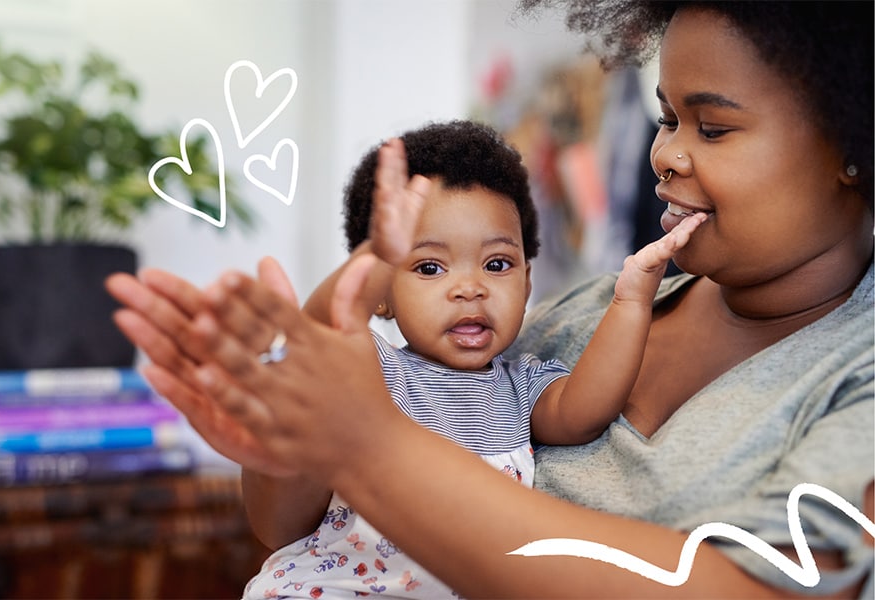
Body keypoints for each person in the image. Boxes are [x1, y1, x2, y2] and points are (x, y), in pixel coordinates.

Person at [105, 1, 874, 598]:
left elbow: (752, 587)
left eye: (713, 127)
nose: (665, 153)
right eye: (669, 118)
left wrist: (368, 445)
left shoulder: (857, 372)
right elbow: (284, 525)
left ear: (850, 142)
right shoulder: (578, 316)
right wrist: (293, 426)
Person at [233, 119, 705, 598]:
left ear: (526, 283)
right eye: (429, 267)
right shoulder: (376, 369)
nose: (469, 288)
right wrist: (376, 255)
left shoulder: (521, 387)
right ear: (382, 295)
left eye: (496, 264)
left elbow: (586, 411)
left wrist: (631, 302)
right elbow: (328, 330)